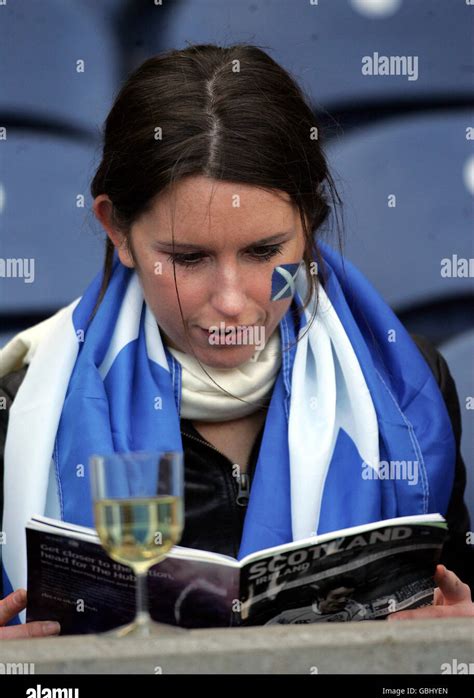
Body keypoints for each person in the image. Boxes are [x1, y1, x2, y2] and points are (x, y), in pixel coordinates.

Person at [1, 43, 473, 639]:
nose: (231, 301)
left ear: (309, 223)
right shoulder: (17, 402)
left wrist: (460, 641)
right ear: (116, 229)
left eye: (264, 252)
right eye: (188, 258)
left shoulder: (411, 387)